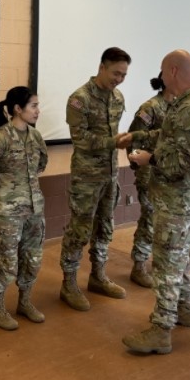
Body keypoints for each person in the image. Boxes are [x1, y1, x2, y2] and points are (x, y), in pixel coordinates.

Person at [122, 50, 190, 354]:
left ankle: (161, 330)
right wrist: (137, 136)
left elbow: (183, 161)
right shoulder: (189, 105)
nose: (160, 78)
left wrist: (150, 159)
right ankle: (185, 310)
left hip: (180, 201)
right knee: (180, 257)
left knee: (166, 265)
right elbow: (168, 136)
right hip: (186, 199)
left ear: (173, 71)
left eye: (163, 72)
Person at [58, 47, 134, 311]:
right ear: (102, 67)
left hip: (110, 175)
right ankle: (68, 284)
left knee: (105, 228)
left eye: (124, 75)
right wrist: (114, 141)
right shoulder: (79, 99)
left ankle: (98, 276)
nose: (119, 79)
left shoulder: (118, 98)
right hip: (87, 177)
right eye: (116, 73)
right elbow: (81, 140)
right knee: (79, 231)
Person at [0, 87, 48, 330]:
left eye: (37, 105)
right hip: (8, 213)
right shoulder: (0, 137)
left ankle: (24, 302)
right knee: (8, 262)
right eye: (33, 106)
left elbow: (42, 163)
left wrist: (27, 187)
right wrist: (1, 186)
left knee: (33, 259)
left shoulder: (35, 136)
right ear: (18, 109)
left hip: (35, 209)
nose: (38, 110)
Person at [126, 74, 169, 288]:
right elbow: (134, 137)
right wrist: (136, 163)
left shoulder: (182, 107)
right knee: (150, 217)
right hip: (150, 171)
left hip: (172, 172)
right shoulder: (151, 107)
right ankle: (140, 264)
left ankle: (161, 261)